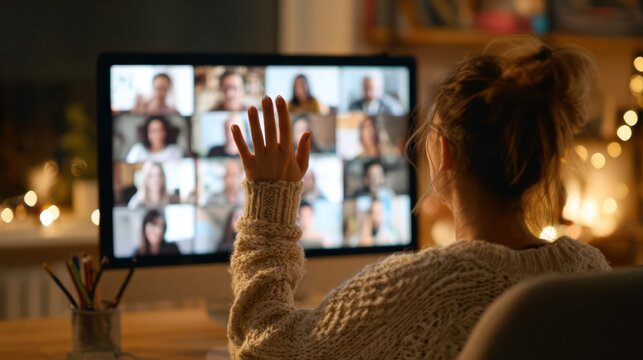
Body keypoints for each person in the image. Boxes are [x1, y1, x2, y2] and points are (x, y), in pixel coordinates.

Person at [227, 37, 610, 359]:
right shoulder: (589, 271)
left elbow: (265, 348)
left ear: (444, 152)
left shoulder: (418, 288)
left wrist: (269, 202)